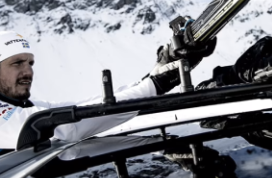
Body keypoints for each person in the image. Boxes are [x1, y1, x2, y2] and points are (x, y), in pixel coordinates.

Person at [0, 31, 217, 150]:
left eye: (31, 63)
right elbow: (66, 129)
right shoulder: (6, 118)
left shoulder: (22, 106)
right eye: (17, 63)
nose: (28, 71)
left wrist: (150, 79)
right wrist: (155, 86)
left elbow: (83, 107)